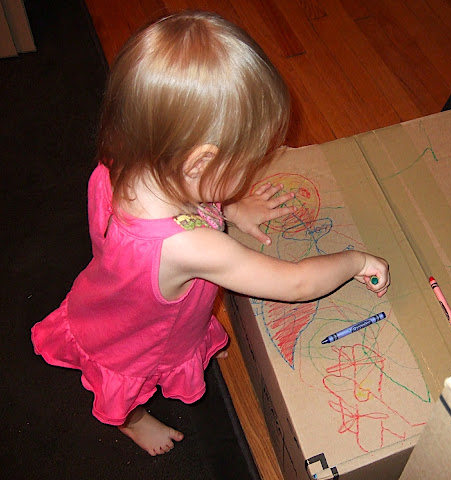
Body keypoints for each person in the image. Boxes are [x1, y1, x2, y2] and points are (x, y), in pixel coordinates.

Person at [31, 11, 390, 457]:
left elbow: (193, 198)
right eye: (247, 163)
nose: (252, 171)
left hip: (102, 301)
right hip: (137, 343)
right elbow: (296, 283)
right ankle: (133, 423)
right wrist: (356, 260)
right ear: (199, 162)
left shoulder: (122, 164)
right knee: (126, 396)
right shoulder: (192, 247)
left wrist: (233, 208)